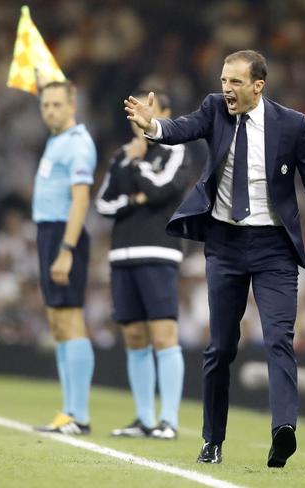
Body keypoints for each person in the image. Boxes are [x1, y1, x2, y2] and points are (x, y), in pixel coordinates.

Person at [124, 50, 305, 467]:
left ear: (258, 85)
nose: (225, 89)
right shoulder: (214, 109)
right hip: (226, 246)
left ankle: (283, 429)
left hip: (274, 248)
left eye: (234, 82)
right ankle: (213, 438)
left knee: (279, 338)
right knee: (220, 349)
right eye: (223, 80)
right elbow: (181, 128)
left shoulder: (292, 125)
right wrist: (152, 125)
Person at [96, 90, 189, 440]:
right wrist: (133, 194)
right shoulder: (121, 154)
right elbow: (103, 204)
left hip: (159, 251)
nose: (142, 114)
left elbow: (159, 190)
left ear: (165, 113)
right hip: (122, 254)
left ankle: (169, 420)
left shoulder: (174, 149)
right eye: (137, 108)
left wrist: (136, 169)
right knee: (134, 336)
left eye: (151, 108)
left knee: (164, 334)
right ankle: (144, 418)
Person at [32, 80, 96, 435]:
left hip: (63, 235)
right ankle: (68, 411)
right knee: (58, 323)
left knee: (71, 321)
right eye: (45, 105)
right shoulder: (56, 141)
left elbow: (81, 200)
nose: (50, 111)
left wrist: (66, 250)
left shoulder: (78, 144)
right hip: (48, 233)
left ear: (72, 105)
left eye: (56, 104)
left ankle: (79, 415)